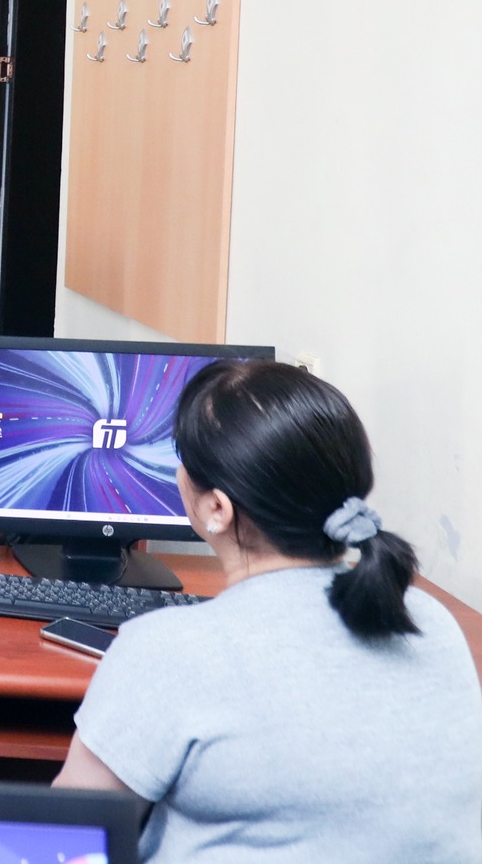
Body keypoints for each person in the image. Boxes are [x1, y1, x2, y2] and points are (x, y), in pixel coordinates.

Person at [55, 359, 482, 862]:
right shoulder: (428, 620)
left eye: (181, 457)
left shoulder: (168, 650)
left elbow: (66, 836)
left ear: (216, 509)